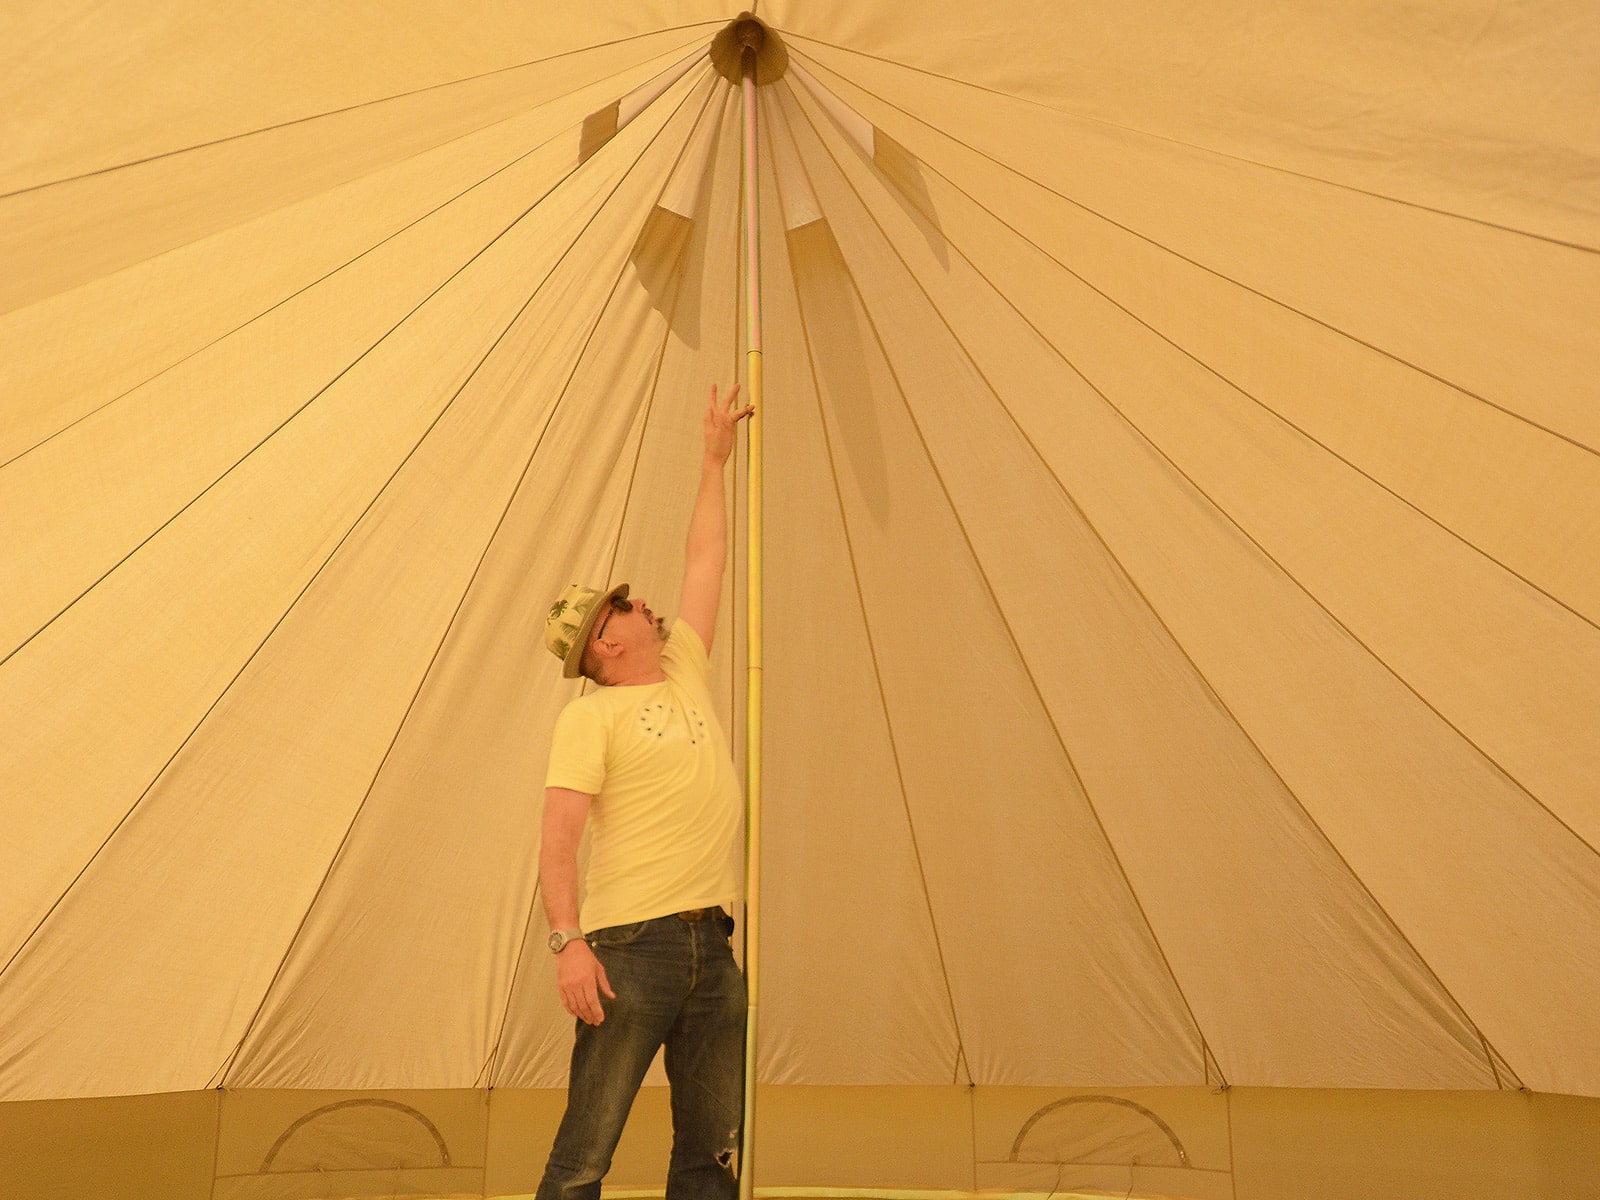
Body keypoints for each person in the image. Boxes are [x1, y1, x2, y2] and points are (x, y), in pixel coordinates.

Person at [534, 382, 755, 1199]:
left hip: (715, 948)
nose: (638, 603)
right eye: (618, 608)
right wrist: (569, 945)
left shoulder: (684, 669)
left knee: (712, 1155)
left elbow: (707, 558)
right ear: (604, 644)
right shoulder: (591, 719)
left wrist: (713, 460)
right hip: (631, 948)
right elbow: (558, 840)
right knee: (586, 1151)